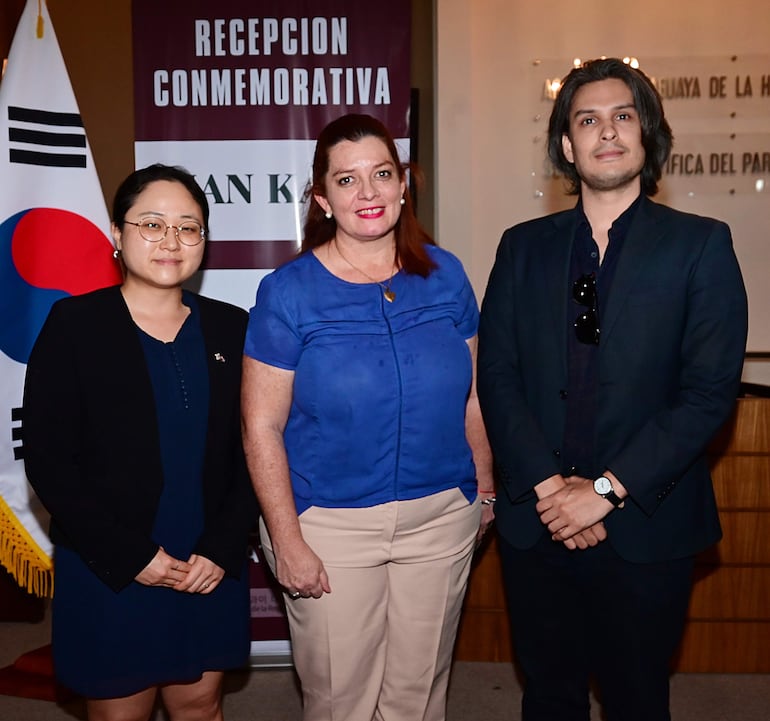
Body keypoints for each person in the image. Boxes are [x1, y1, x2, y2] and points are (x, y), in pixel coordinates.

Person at [477, 58, 748, 721]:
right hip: (537, 524)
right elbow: (498, 378)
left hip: (646, 526)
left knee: (637, 700)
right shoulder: (521, 248)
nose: (606, 132)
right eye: (587, 119)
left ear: (647, 135)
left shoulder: (702, 247)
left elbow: (709, 393)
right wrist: (550, 489)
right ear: (567, 147)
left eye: (623, 117)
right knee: (548, 698)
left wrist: (600, 493)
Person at [241, 113, 495, 721]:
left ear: (403, 184)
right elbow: (261, 428)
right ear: (322, 198)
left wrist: (483, 491)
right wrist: (288, 540)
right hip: (330, 528)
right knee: (341, 701)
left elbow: (474, 396)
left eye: (381, 174)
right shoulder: (288, 292)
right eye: (347, 180)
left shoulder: (447, 274)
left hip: (440, 518)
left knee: (419, 695)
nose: (369, 193)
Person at [22, 164, 256, 721]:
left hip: (207, 562)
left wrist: (223, 548)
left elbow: (258, 447)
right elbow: (50, 460)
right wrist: (134, 557)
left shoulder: (233, 327)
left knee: (200, 704)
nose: (170, 241)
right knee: (120, 709)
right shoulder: (74, 324)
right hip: (113, 565)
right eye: (151, 224)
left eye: (188, 226)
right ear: (116, 234)